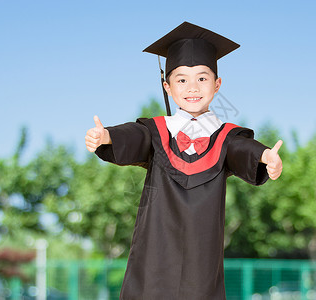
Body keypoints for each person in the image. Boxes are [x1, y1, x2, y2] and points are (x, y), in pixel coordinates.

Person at [85, 22, 283, 300]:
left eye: (202, 79)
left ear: (217, 84)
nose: (192, 87)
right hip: (155, 253)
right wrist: (106, 136)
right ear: (166, 86)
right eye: (181, 80)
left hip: (201, 258)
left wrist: (265, 157)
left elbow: (242, 149)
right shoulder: (156, 131)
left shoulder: (226, 137)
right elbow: (135, 137)